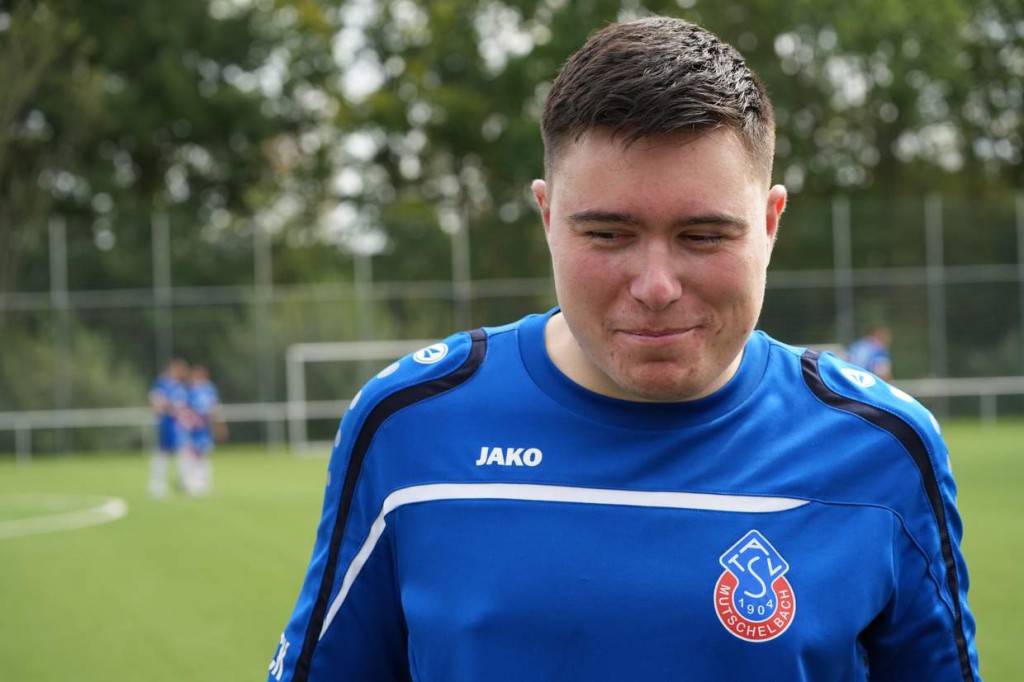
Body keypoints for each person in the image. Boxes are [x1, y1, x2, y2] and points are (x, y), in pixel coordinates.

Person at [269, 17, 979, 682]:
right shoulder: (409, 425)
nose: (656, 286)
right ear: (548, 218)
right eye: (608, 235)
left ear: (769, 224)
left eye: (704, 236)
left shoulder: (882, 448)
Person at [181, 363, 226, 495]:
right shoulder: (188, 389)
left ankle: (203, 483)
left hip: (205, 429)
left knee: (204, 454)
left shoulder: (209, 388)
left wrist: (219, 425)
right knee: (189, 454)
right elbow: (183, 409)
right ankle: (188, 483)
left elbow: (214, 408)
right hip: (191, 429)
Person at [148, 358, 189, 497]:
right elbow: (157, 403)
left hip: (178, 425)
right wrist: (169, 407)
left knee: (181, 454)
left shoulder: (178, 386)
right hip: (166, 424)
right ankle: (157, 486)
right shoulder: (162, 383)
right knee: (162, 454)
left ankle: (182, 483)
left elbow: (181, 405)